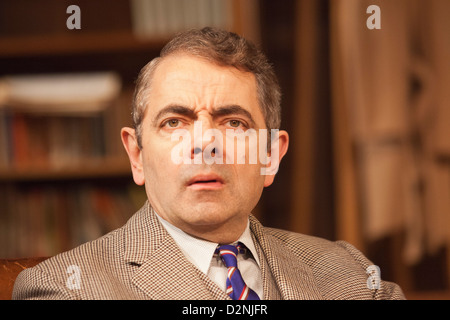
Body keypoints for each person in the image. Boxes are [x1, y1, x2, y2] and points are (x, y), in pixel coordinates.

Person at [12, 27, 405, 300]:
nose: (204, 144)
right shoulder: (63, 288)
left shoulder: (352, 276)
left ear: (270, 156)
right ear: (137, 155)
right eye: (174, 122)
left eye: (233, 122)